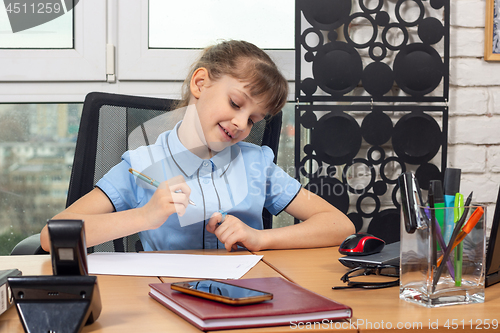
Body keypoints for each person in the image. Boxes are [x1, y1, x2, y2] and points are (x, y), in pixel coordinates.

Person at [40, 40, 354, 252]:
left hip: (245, 301)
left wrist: (260, 238)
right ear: (200, 84)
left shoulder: (256, 163)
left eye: (254, 120)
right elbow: (52, 236)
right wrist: (145, 216)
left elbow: (340, 225)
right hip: (166, 302)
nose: (242, 124)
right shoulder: (142, 164)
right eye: (235, 103)